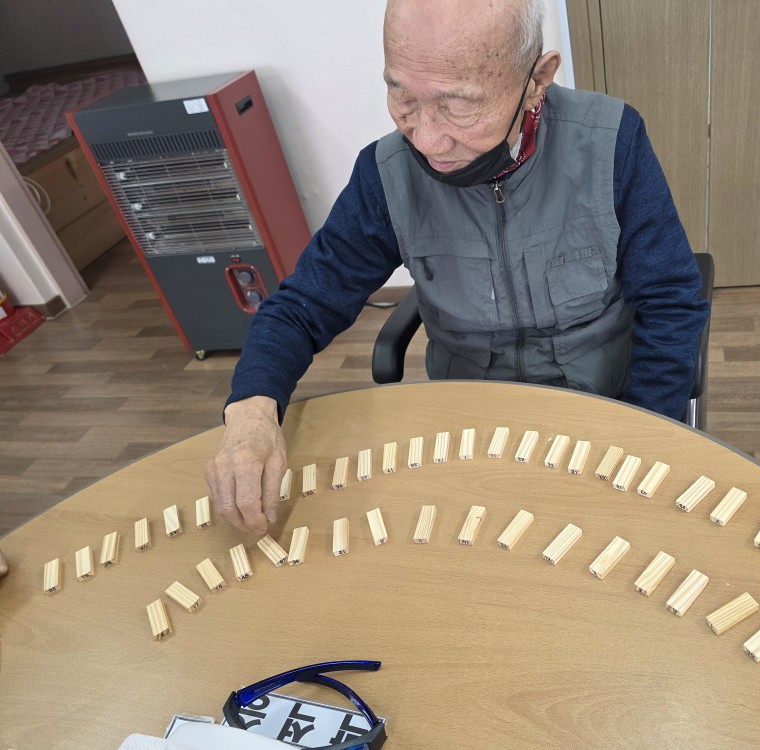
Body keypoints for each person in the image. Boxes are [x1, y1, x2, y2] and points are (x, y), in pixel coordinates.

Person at [206, 0, 709, 534]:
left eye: (459, 105)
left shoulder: (610, 142)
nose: (426, 141)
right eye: (402, 96)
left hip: (602, 409)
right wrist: (251, 413)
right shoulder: (385, 175)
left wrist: (639, 438)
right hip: (467, 426)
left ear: (537, 81)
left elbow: (671, 300)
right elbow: (302, 305)